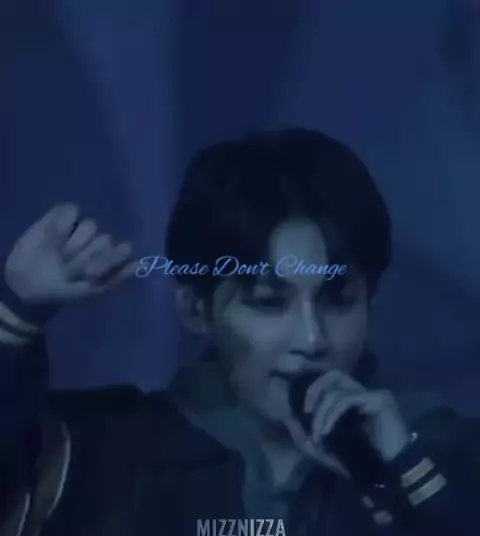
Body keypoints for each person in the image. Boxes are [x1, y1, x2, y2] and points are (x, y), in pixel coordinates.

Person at [0, 129, 479, 536]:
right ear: (195, 308)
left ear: (372, 301)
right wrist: (15, 315)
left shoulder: (447, 450)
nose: (312, 339)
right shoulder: (105, 454)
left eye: (338, 301)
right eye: (269, 302)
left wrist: (410, 476)